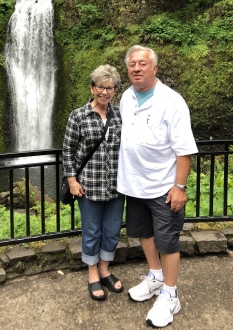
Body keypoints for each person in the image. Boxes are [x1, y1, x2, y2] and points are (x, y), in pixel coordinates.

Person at [117, 45, 198, 327]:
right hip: (134, 183)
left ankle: (170, 294)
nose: (136, 68)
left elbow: (183, 150)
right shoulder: (126, 97)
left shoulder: (172, 101)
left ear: (154, 68)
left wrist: (179, 186)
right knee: (144, 234)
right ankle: (155, 276)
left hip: (164, 186)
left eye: (142, 63)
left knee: (167, 241)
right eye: (132, 65)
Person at [63, 64, 124, 301]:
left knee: (112, 230)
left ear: (115, 91)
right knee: (91, 231)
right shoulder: (78, 116)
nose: (105, 92)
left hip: (117, 186)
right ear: (92, 87)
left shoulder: (119, 114)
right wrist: (71, 180)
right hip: (88, 185)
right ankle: (92, 274)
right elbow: (68, 151)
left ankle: (105, 269)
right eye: (100, 87)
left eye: (110, 88)